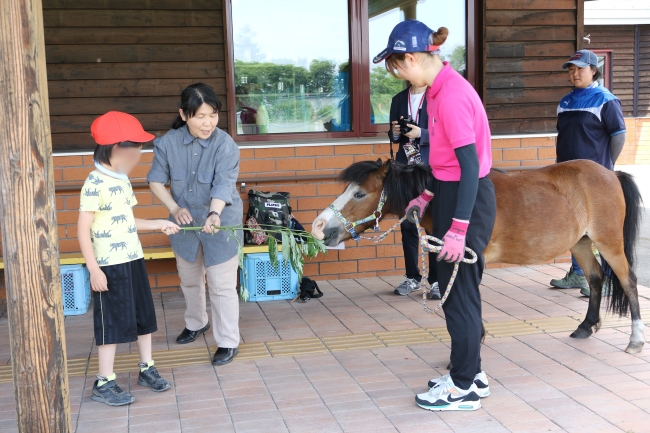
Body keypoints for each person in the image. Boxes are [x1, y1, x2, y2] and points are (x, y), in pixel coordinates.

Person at [374, 20, 495, 411]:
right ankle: (471, 373)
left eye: (395, 66)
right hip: (449, 192)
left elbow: (470, 164)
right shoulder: (436, 92)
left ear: (411, 58)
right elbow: (444, 163)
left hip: (467, 201)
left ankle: (462, 388)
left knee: (456, 295)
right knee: (459, 294)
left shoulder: (451, 96)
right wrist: (426, 195)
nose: (395, 73)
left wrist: (459, 229)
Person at [78, 111, 181, 406]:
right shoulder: (94, 183)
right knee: (110, 323)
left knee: (143, 316)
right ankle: (104, 381)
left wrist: (160, 223)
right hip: (108, 265)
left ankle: (146, 368)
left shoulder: (121, 180)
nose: (140, 152)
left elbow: (127, 221)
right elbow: (82, 230)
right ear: (116, 148)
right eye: (136, 146)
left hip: (133, 258)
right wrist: (94, 269)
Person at [148, 83, 243, 366]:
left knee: (221, 285)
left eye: (213, 115)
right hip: (184, 225)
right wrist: (174, 208)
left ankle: (227, 341)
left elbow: (224, 183)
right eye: (201, 116)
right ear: (185, 115)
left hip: (220, 221)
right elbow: (155, 180)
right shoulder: (167, 143)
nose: (208, 123)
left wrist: (214, 214)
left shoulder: (225, 143)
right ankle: (196, 323)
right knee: (189, 280)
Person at [549, 50, 626, 297]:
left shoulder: (606, 100)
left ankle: (595, 277)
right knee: (572, 224)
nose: (574, 74)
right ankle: (577, 272)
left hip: (592, 180)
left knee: (595, 228)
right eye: (570, 69)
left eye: (579, 69)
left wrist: (606, 167)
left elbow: (618, 136)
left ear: (594, 70)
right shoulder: (565, 102)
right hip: (565, 176)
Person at [388, 83, 440, 298]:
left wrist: (422, 133)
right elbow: (394, 137)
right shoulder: (399, 98)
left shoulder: (438, 97)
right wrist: (395, 133)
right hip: (405, 171)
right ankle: (412, 277)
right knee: (408, 225)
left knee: (433, 227)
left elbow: (447, 133)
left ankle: (437, 281)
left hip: (431, 170)